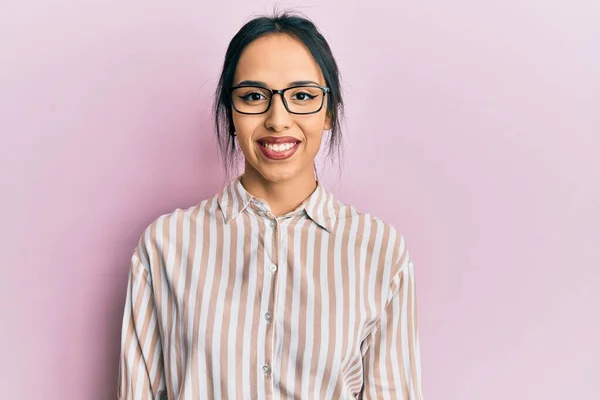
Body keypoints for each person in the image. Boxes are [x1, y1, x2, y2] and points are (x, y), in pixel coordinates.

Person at [117, 10, 424, 400]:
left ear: (329, 111)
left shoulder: (379, 251)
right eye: (253, 96)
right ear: (230, 113)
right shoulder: (165, 246)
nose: (278, 120)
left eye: (302, 96)